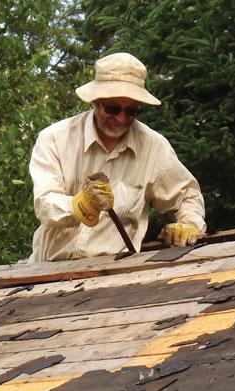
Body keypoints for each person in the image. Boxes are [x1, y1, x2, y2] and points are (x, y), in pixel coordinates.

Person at [28, 52, 206, 262]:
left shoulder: (154, 148)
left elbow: (187, 196)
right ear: (95, 101)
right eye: (112, 108)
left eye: (131, 111)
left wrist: (188, 224)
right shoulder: (55, 139)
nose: (121, 118)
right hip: (48, 270)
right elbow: (45, 204)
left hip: (114, 273)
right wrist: (82, 204)